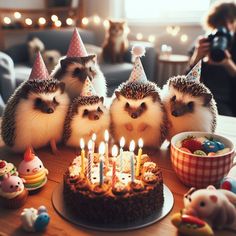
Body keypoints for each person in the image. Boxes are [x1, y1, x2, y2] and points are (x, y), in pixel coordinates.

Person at [189, 0, 236, 116]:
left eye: (230, 21)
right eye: (221, 23)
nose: (226, 27)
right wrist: (197, 57)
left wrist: (228, 64)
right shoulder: (205, 42)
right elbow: (187, 79)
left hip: (229, 102)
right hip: (202, 97)